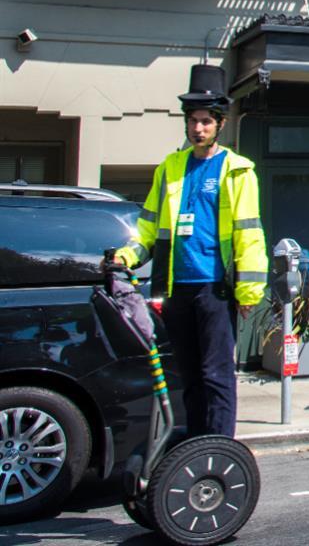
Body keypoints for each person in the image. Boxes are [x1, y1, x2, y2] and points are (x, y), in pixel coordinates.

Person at [114, 64, 267, 437]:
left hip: (215, 289)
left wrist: (248, 292)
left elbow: (249, 235)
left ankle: (218, 448)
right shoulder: (170, 168)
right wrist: (127, 256)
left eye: (205, 122)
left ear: (220, 124)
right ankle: (194, 446)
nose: (198, 128)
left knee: (217, 375)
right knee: (189, 375)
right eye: (193, 121)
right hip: (176, 288)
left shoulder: (237, 169)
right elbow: (148, 227)